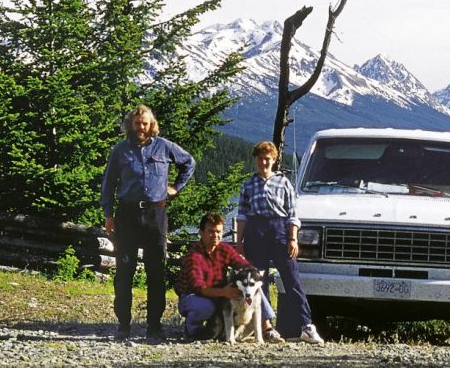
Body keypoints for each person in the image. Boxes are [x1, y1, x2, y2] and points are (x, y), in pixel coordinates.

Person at [99, 104, 196, 342]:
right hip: (126, 216)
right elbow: (108, 182)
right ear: (130, 125)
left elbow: (189, 163)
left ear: (151, 124)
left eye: (145, 123)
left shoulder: (163, 146)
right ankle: (123, 324)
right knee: (124, 271)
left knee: (156, 271)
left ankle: (155, 325)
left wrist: (175, 188)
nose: (141, 127)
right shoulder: (120, 150)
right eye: (137, 123)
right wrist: (108, 214)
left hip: (156, 215)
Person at [236, 141, 324, 345]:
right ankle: (266, 327)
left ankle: (307, 326)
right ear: (255, 160)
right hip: (255, 233)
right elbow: (242, 215)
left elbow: (292, 213)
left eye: (267, 158)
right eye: (260, 158)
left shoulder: (283, 182)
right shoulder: (249, 185)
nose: (263, 162)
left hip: (279, 231)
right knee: (259, 281)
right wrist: (239, 242)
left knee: (292, 278)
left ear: (274, 160)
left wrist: (292, 238)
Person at [174, 212, 285, 343]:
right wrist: (225, 292)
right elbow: (200, 288)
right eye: (210, 231)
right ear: (201, 233)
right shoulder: (194, 256)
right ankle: (191, 331)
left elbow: (244, 265)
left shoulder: (224, 249)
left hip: (217, 294)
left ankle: (267, 329)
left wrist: (255, 274)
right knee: (205, 307)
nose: (215, 235)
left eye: (218, 232)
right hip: (192, 296)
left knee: (254, 288)